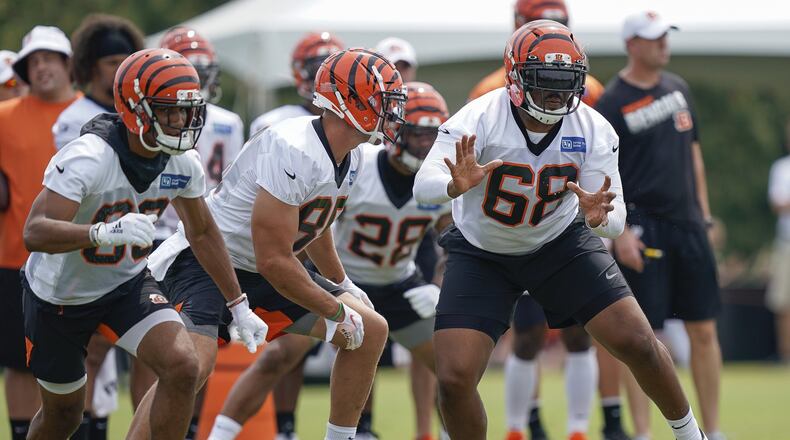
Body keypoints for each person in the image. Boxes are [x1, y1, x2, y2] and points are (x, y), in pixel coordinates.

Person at [414, 20, 708, 440]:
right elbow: (422, 189)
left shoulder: (592, 128)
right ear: (515, 79)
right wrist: (451, 185)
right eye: (544, 83)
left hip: (558, 241)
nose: (556, 95)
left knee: (638, 340)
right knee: (455, 377)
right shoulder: (479, 117)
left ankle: (690, 434)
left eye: (565, 83)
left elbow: (616, 216)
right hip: (482, 250)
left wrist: (598, 217)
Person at [148, 48, 404, 440]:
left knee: (371, 331)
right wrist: (336, 310)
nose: (391, 112)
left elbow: (314, 227)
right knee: (190, 367)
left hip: (261, 266)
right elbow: (274, 260)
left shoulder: (350, 156)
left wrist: (344, 283)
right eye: (382, 100)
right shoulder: (294, 147)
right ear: (350, 101)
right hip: (210, 261)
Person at [20, 48, 267, 440]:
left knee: (183, 366)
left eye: (187, 110)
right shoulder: (90, 156)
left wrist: (238, 304)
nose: (181, 121)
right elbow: (35, 232)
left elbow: (202, 232)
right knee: (64, 416)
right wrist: (101, 233)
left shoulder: (182, 162)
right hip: (60, 296)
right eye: (169, 110)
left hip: (126, 284)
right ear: (136, 109)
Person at [209, 81, 451, 440]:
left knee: (453, 369)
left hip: (399, 283)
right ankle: (227, 433)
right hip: (333, 271)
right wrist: (328, 288)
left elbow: (453, 241)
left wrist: (436, 288)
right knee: (277, 357)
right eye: (418, 134)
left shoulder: (433, 175)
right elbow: (309, 230)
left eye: (433, 136)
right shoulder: (356, 159)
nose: (425, 145)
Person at [468, 2, 624, 439]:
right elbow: (466, 165)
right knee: (528, 334)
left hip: (564, 226)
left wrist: (602, 219)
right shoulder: (489, 92)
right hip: (507, 226)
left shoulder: (589, 88)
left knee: (578, 333)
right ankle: (522, 424)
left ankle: (577, 428)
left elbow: (601, 162)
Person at [595, 11, 724, 440]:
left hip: (688, 225)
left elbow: (695, 157)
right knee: (644, 337)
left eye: (665, 36)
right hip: (643, 228)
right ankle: (646, 432)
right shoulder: (612, 101)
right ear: (631, 43)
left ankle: (713, 430)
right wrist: (621, 232)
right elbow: (603, 172)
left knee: (704, 329)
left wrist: (704, 216)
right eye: (653, 38)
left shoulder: (679, 89)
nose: (663, 44)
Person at [49, 15, 145, 437]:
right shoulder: (78, 119)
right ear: (89, 64)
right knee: (92, 349)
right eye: (110, 61)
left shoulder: (142, 116)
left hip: (140, 245)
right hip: (91, 247)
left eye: (126, 59)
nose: (119, 68)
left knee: (152, 350)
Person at [158, 27, 248, 438]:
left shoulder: (227, 122)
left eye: (203, 71)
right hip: (158, 236)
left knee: (200, 346)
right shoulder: (156, 120)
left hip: (206, 237)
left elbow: (231, 186)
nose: (200, 79)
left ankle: (190, 427)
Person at [0, 25, 78, 440]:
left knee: (82, 361)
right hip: (15, 256)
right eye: (34, 60)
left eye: (50, 57)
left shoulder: (91, 112)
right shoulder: (5, 115)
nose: (42, 66)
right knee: (17, 362)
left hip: (82, 258)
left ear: (69, 63)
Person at [249, 31, 344, 137]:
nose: (328, 78)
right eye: (318, 68)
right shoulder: (274, 123)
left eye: (336, 69)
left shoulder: (353, 123)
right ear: (300, 71)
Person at [767, 120, 790, 364]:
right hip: (787, 243)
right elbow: (778, 203)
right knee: (784, 303)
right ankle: (786, 356)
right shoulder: (782, 168)